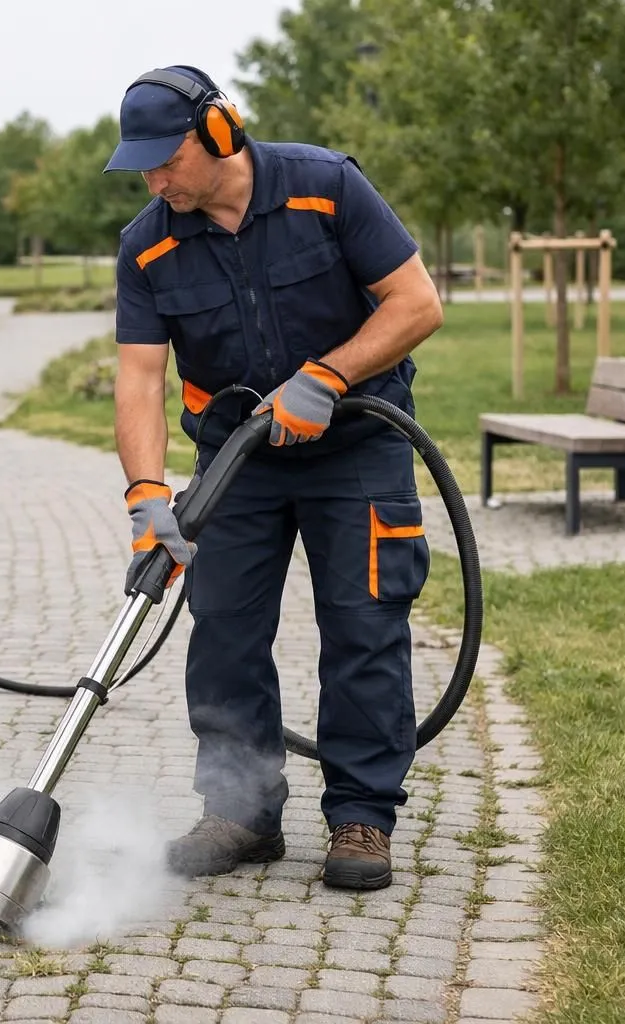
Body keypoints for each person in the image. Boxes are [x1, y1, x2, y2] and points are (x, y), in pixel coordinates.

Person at [107, 65, 445, 890]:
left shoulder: (326, 188)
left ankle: (361, 817)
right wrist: (147, 494)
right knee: (223, 631)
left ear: (219, 133)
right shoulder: (148, 245)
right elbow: (141, 379)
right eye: (141, 168)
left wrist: (328, 375)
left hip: (357, 443)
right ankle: (241, 812)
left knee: (363, 628)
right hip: (237, 459)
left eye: (166, 161)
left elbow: (416, 303)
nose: (155, 182)